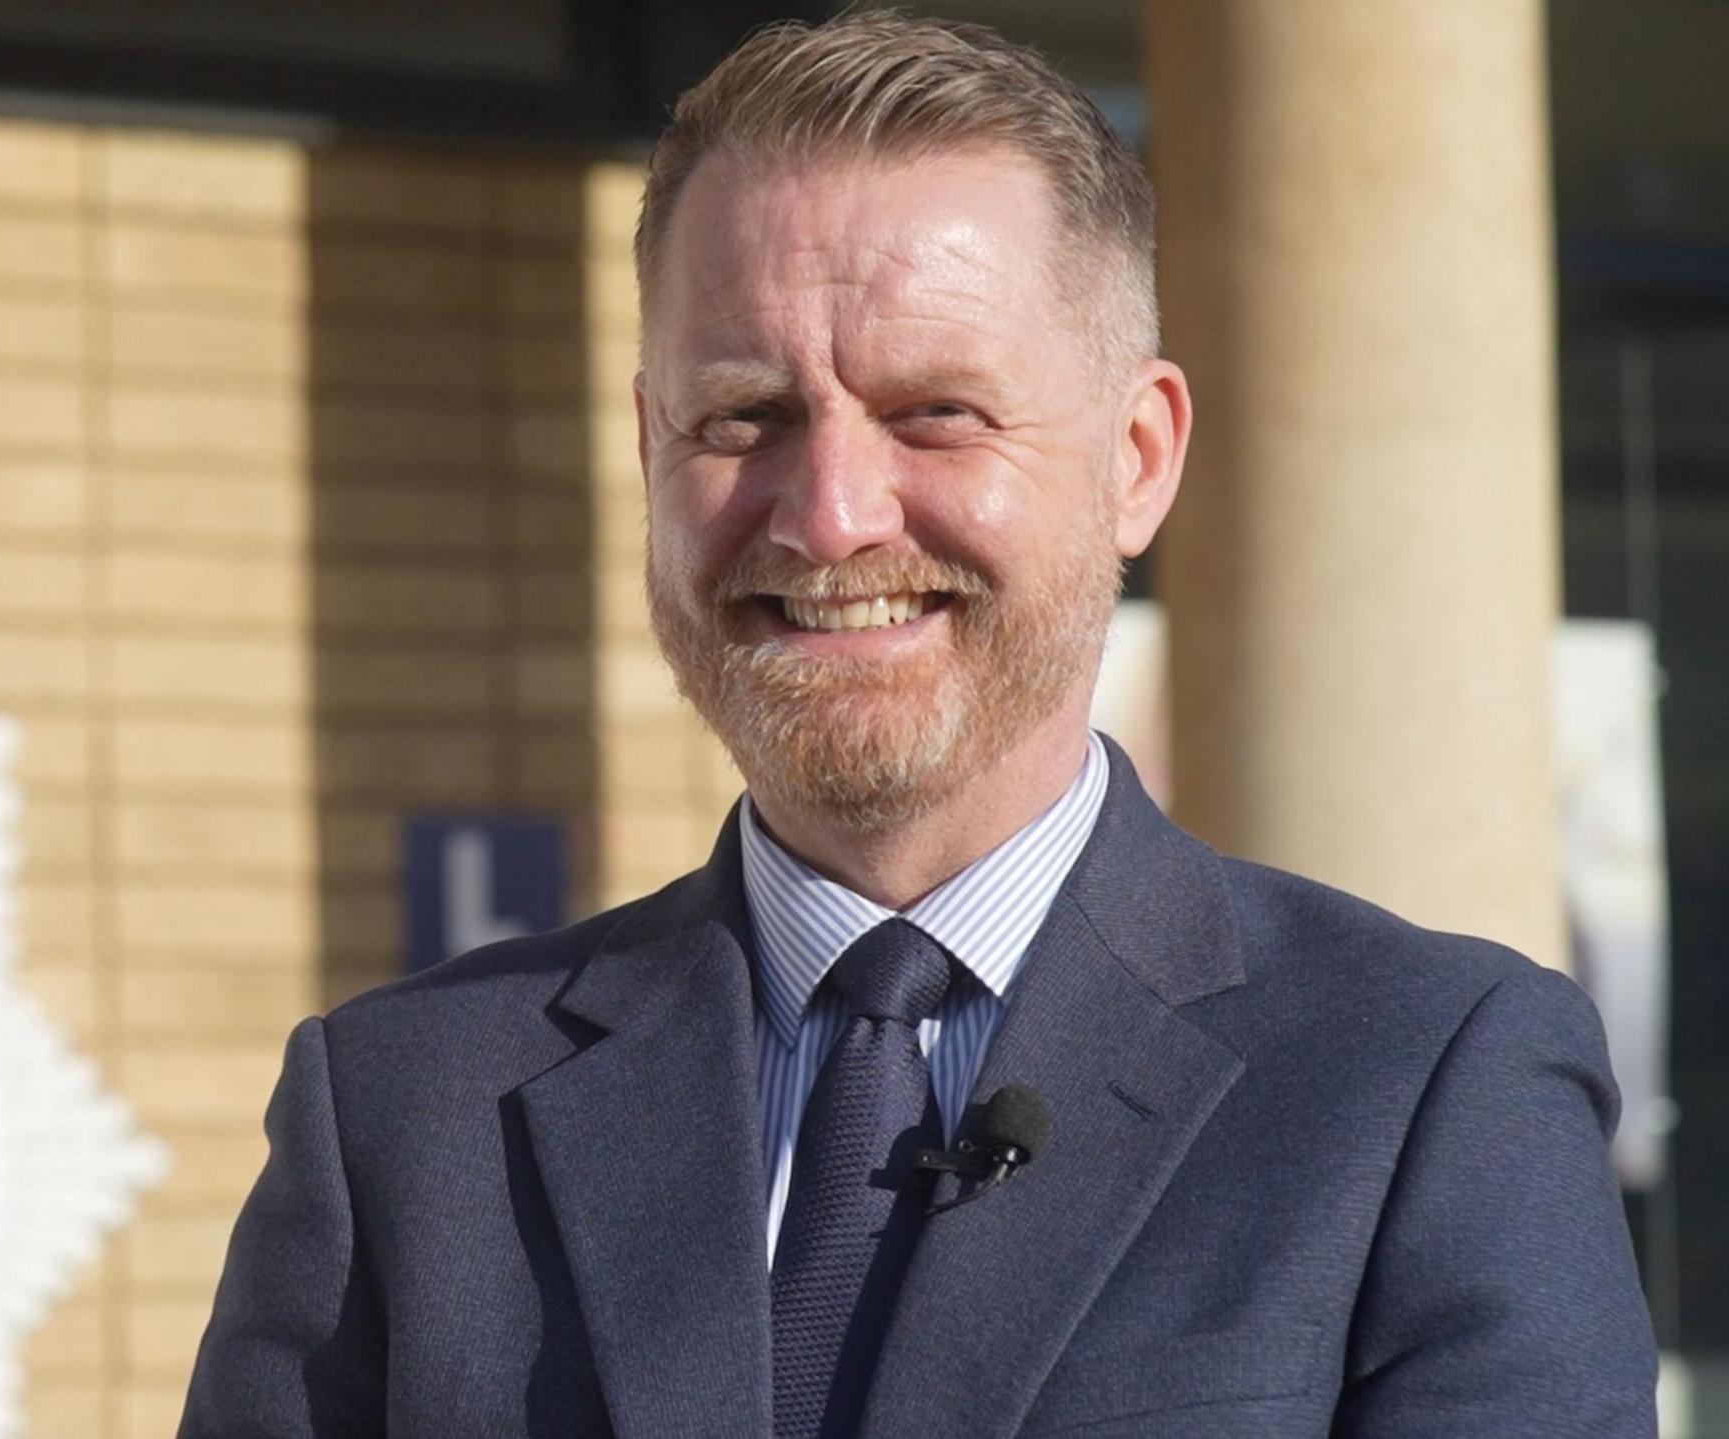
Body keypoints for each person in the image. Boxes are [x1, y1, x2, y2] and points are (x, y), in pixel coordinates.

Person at [179, 11, 1657, 1438]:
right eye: (744, 415)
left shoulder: (1425, 1091)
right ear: (649, 450)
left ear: (1135, 460)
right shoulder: (401, 1120)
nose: (829, 518)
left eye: (937, 413)